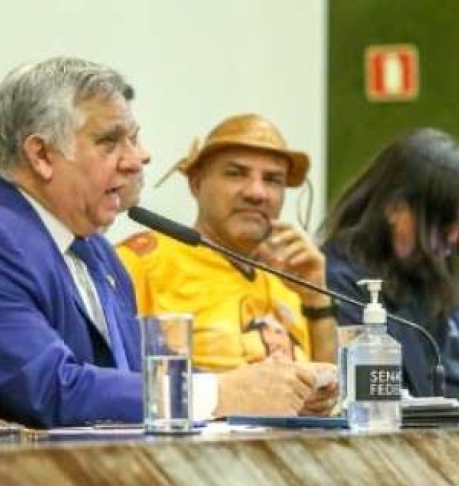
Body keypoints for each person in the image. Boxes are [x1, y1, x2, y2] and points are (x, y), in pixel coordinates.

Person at [0, 57, 329, 433]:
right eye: (111, 141)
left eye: (136, 137)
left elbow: (137, 385)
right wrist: (224, 393)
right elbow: (54, 391)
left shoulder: (95, 251)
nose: (140, 157)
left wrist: (279, 393)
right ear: (42, 154)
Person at [118, 113, 336, 370]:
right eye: (236, 174)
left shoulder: (291, 280)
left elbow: (330, 398)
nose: (256, 193)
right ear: (196, 183)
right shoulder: (142, 263)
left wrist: (317, 298)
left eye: (273, 179)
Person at [320, 129, 459, 406]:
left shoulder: (436, 284)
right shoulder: (337, 282)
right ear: (393, 208)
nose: (454, 238)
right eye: (444, 222)